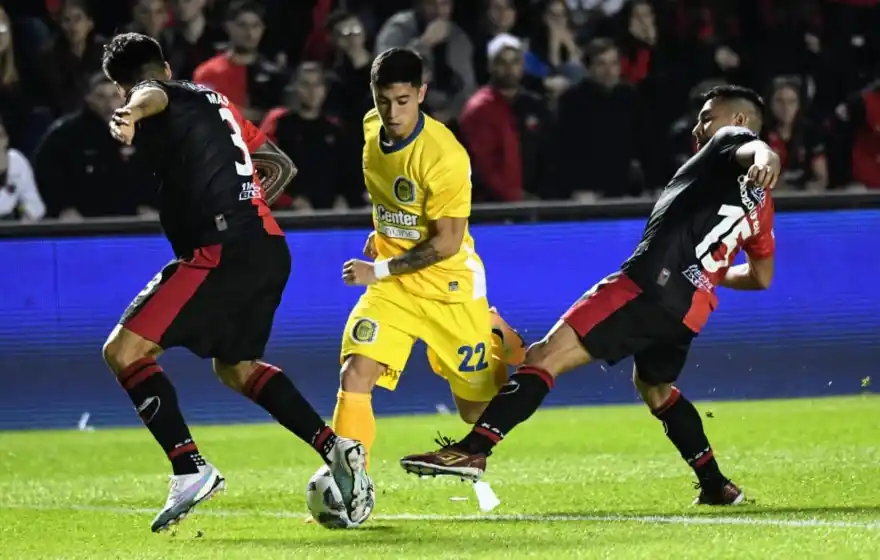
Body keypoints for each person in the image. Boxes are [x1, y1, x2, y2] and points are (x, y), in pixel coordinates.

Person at [400, 85, 780, 506]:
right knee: (656, 388)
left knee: (545, 356)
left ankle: (473, 450)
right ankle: (715, 485)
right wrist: (707, 274)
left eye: (708, 116)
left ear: (739, 121)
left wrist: (766, 159)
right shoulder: (761, 206)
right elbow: (761, 277)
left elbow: (757, 151)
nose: (698, 127)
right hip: (687, 311)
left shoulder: (732, 142)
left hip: (647, 285)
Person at [98, 32, 372, 532]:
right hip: (265, 247)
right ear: (165, 59)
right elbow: (280, 166)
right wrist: (244, 201)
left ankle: (189, 468)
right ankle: (336, 448)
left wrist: (131, 113)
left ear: (124, 85)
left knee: (124, 352)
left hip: (220, 249)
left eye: (122, 90)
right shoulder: (215, 101)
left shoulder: (163, 95)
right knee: (237, 367)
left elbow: (151, 94)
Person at [334, 47, 526, 469]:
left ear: (421, 93)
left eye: (402, 101)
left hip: (449, 289)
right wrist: (383, 232)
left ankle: (493, 333)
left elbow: (447, 243)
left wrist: (377, 269)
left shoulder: (445, 155)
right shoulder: (371, 128)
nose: (392, 112)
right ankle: (351, 487)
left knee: (476, 413)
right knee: (355, 374)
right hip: (395, 289)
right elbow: (393, 198)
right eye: (383, 101)